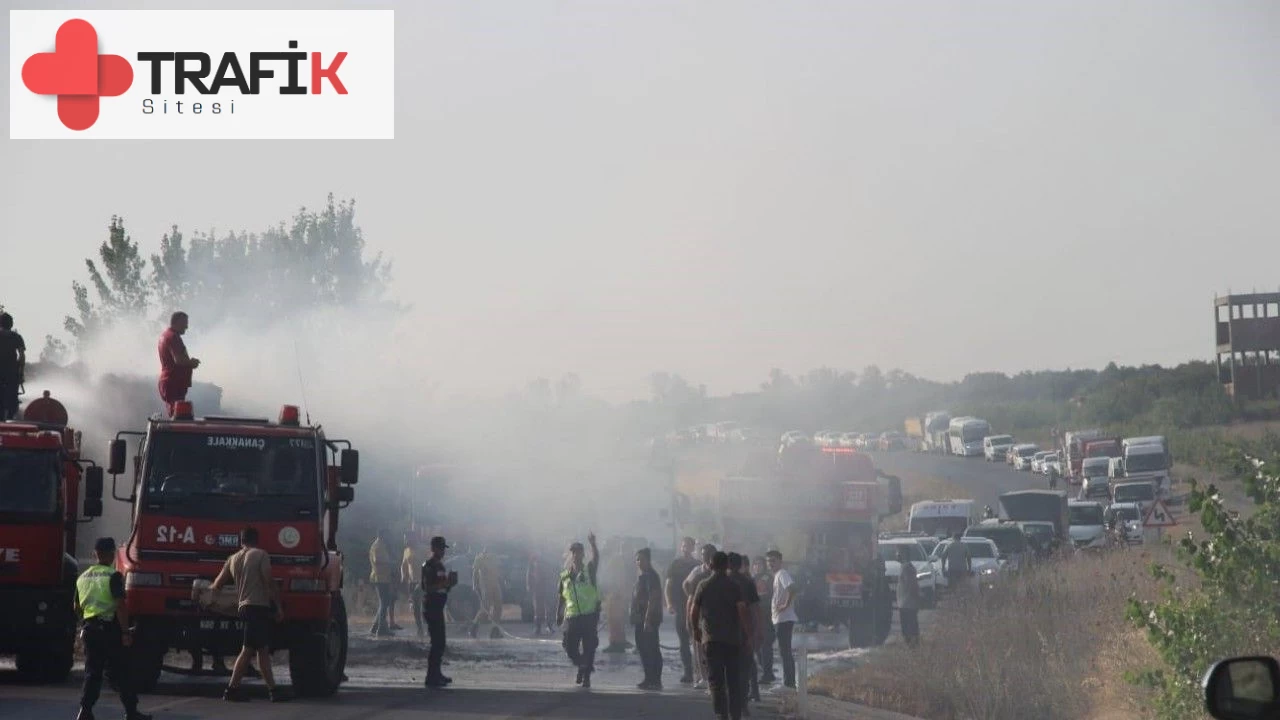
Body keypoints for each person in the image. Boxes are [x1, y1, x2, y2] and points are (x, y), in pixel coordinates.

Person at [74, 537, 152, 720]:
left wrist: (85, 622)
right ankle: (131, 712)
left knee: (92, 672)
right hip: (109, 630)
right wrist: (125, 632)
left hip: (90, 630)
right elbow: (120, 605)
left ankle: (85, 711)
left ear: (95, 554)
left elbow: (76, 607)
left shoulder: (83, 577)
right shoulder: (113, 576)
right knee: (123, 672)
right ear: (111, 554)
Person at [208, 527, 286, 702]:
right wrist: (279, 607)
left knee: (260, 650)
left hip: (243, 608)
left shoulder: (233, 559)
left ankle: (272, 690)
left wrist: (205, 597)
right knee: (249, 650)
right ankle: (233, 690)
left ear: (241, 541)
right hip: (258, 607)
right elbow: (269, 581)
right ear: (256, 540)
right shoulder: (261, 555)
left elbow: (217, 585)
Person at [690, 551, 748, 720]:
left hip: (711, 640)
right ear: (727, 566)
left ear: (710, 565)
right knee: (733, 680)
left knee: (716, 681)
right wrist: (747, 633)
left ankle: (721, 715)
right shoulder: (734, 586)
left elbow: (694, 611)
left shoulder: (703, 585)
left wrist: (695, 629)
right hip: (732, 640)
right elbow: (742, 610)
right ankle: (735, 714)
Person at [557, 532, 601, 688]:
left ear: (583, 554)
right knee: (569, 647)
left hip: (589, 615)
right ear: (572, 554)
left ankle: (586, 676)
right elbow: (562, 596)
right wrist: (559, 614)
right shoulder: (565, 575)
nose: (576, 555)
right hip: (573, 616)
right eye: (574, 552)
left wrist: (593, 544)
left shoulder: (589, 570)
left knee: (589, 647)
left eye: (579, 552)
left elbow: (596, 559)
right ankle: (582, 664)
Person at [421, 536, 459, 688]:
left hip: (438, 606)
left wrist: (450, 583)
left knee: (440, 642)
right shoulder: (429, 565)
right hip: (431, 606)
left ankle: (437, 673)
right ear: (433, 548)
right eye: (440, 548)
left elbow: (444, 587)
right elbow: (428, 587)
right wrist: (444, 583)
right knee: (436, 642)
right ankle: (431, 677)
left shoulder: (441, 566)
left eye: (443, 548)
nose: (443, 551)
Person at [664, 536, 699, 684]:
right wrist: (669, 603)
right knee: (684, 642)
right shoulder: (675, 564)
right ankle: (688, 672)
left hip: (695, 607)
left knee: (697, 642)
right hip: (680, 607)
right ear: (681, 547)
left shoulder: (698, 565)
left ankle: (700, 673)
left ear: (692, 548)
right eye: (683, 546)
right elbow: (668, 585)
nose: (685, 549)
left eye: (688, 546)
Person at [727, 553, 760, 710]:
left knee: (728, 669)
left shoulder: (718, 582)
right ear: (740, 565)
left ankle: (731, 702)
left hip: (723, 632)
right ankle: (743, 703)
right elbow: (754, 608)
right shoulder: (747, 582)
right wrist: (756, 631)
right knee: (744, 669)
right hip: (743, 631)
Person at [682, 543, 717, 689]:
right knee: (699, 647)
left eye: (708, 554)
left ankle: (713, 676)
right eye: (703, 554)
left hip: (716, 615)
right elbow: (686, 585)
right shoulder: (697, 571)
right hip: (701, 614)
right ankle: (703, 677)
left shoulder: (719, 570)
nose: (705, 557)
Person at [631, 547, 664, 690]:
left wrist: (647, 619)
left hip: (648, 618)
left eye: (641, 559)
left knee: (650, 648)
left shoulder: (651, 576)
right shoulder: (643, 576)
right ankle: (649, 677)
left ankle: (654, 679)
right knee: (644, 648)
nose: (639, 562)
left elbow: (654, 598)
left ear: (648, 560)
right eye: (637, 559)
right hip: (641, 618)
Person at [156, 311, 199, 417]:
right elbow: (179, 360)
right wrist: (192, 363)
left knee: (176, 415)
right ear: (177, 322)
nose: (187, 327)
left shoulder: (166, 335)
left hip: (172, 383)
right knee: (177, 417)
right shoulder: (173, 337)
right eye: (185, 323)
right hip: (173, 383)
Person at [766, 550, 799, 689]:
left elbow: (792, 588)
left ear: (780, 561)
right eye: (769, 561)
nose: (770, 564)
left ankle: (789, 682)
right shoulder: (777, 575)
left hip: (784, 619)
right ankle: (788, 681)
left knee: (784, 650)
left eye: (773, 561)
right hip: (779, 618)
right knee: (783, 650)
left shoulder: (782, 574)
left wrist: (785, 604)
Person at [751, 556, 776, 684]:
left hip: (766, 616)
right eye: (755, 564)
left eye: (759, 564)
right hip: (755, 616)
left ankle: (767, 673)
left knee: (765, 645)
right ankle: (767, 671)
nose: (757, 567)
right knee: (757, 646)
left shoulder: (767, 579)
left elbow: (769, 596)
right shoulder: (752, 579)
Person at [469, 547, 504, 639]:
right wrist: (474, 584)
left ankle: (494, 629)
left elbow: (498, 570)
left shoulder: (495, 557)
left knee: (498, 606)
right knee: (486, 607)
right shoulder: (480, 558)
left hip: (495, 583)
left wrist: (502, 579)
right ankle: (474, 626)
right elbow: (475, 572)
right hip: (485, 584)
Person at [368, 530, 396, 637]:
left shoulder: (381, 545)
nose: (388, 537)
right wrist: (390, 563)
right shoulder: (378, 546)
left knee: (384, 602)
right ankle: (381, 629)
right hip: (380, 578)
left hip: (383, 577)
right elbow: (377, 560)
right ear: (382, 535)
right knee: (385, 602)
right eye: (387, 534)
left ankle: (376, 627)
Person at [0, 311, 25, 421]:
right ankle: (10, 419)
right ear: (11, 324)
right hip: (12, 373)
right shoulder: (17, 337)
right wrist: (21, 371)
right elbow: (22, 356)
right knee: (13, 400)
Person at [526, 552, 557, 636]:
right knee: (538, 609)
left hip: (546, 586)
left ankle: (549, 626)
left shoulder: (548, 560)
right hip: (537, 588)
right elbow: (529, 573)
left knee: (548, 607)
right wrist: (529, 584)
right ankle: (538, 627)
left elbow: (552, 573)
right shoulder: (533, 561)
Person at [402, 534, 426, 639]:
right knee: (416, 608)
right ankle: (420, 628)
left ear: (414, 539)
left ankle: (428, 628)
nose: (406, 541)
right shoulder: (406, 551)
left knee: (419, 601)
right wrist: (403, 576)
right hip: (411, 581)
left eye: (408, 539)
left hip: (422, 581)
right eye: (405, 539)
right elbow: (403, 564)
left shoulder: (423, 549)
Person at [895, 547, 920, 647]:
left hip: (908, 602)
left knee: (909, 624)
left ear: (903, 555)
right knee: (907, 624)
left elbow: (911, 584)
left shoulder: (907, 568)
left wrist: (914, 598)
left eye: (898, 553)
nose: (896, 555)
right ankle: (911, 643)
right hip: (904, 602)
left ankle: (912, 645)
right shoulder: (904, 567)